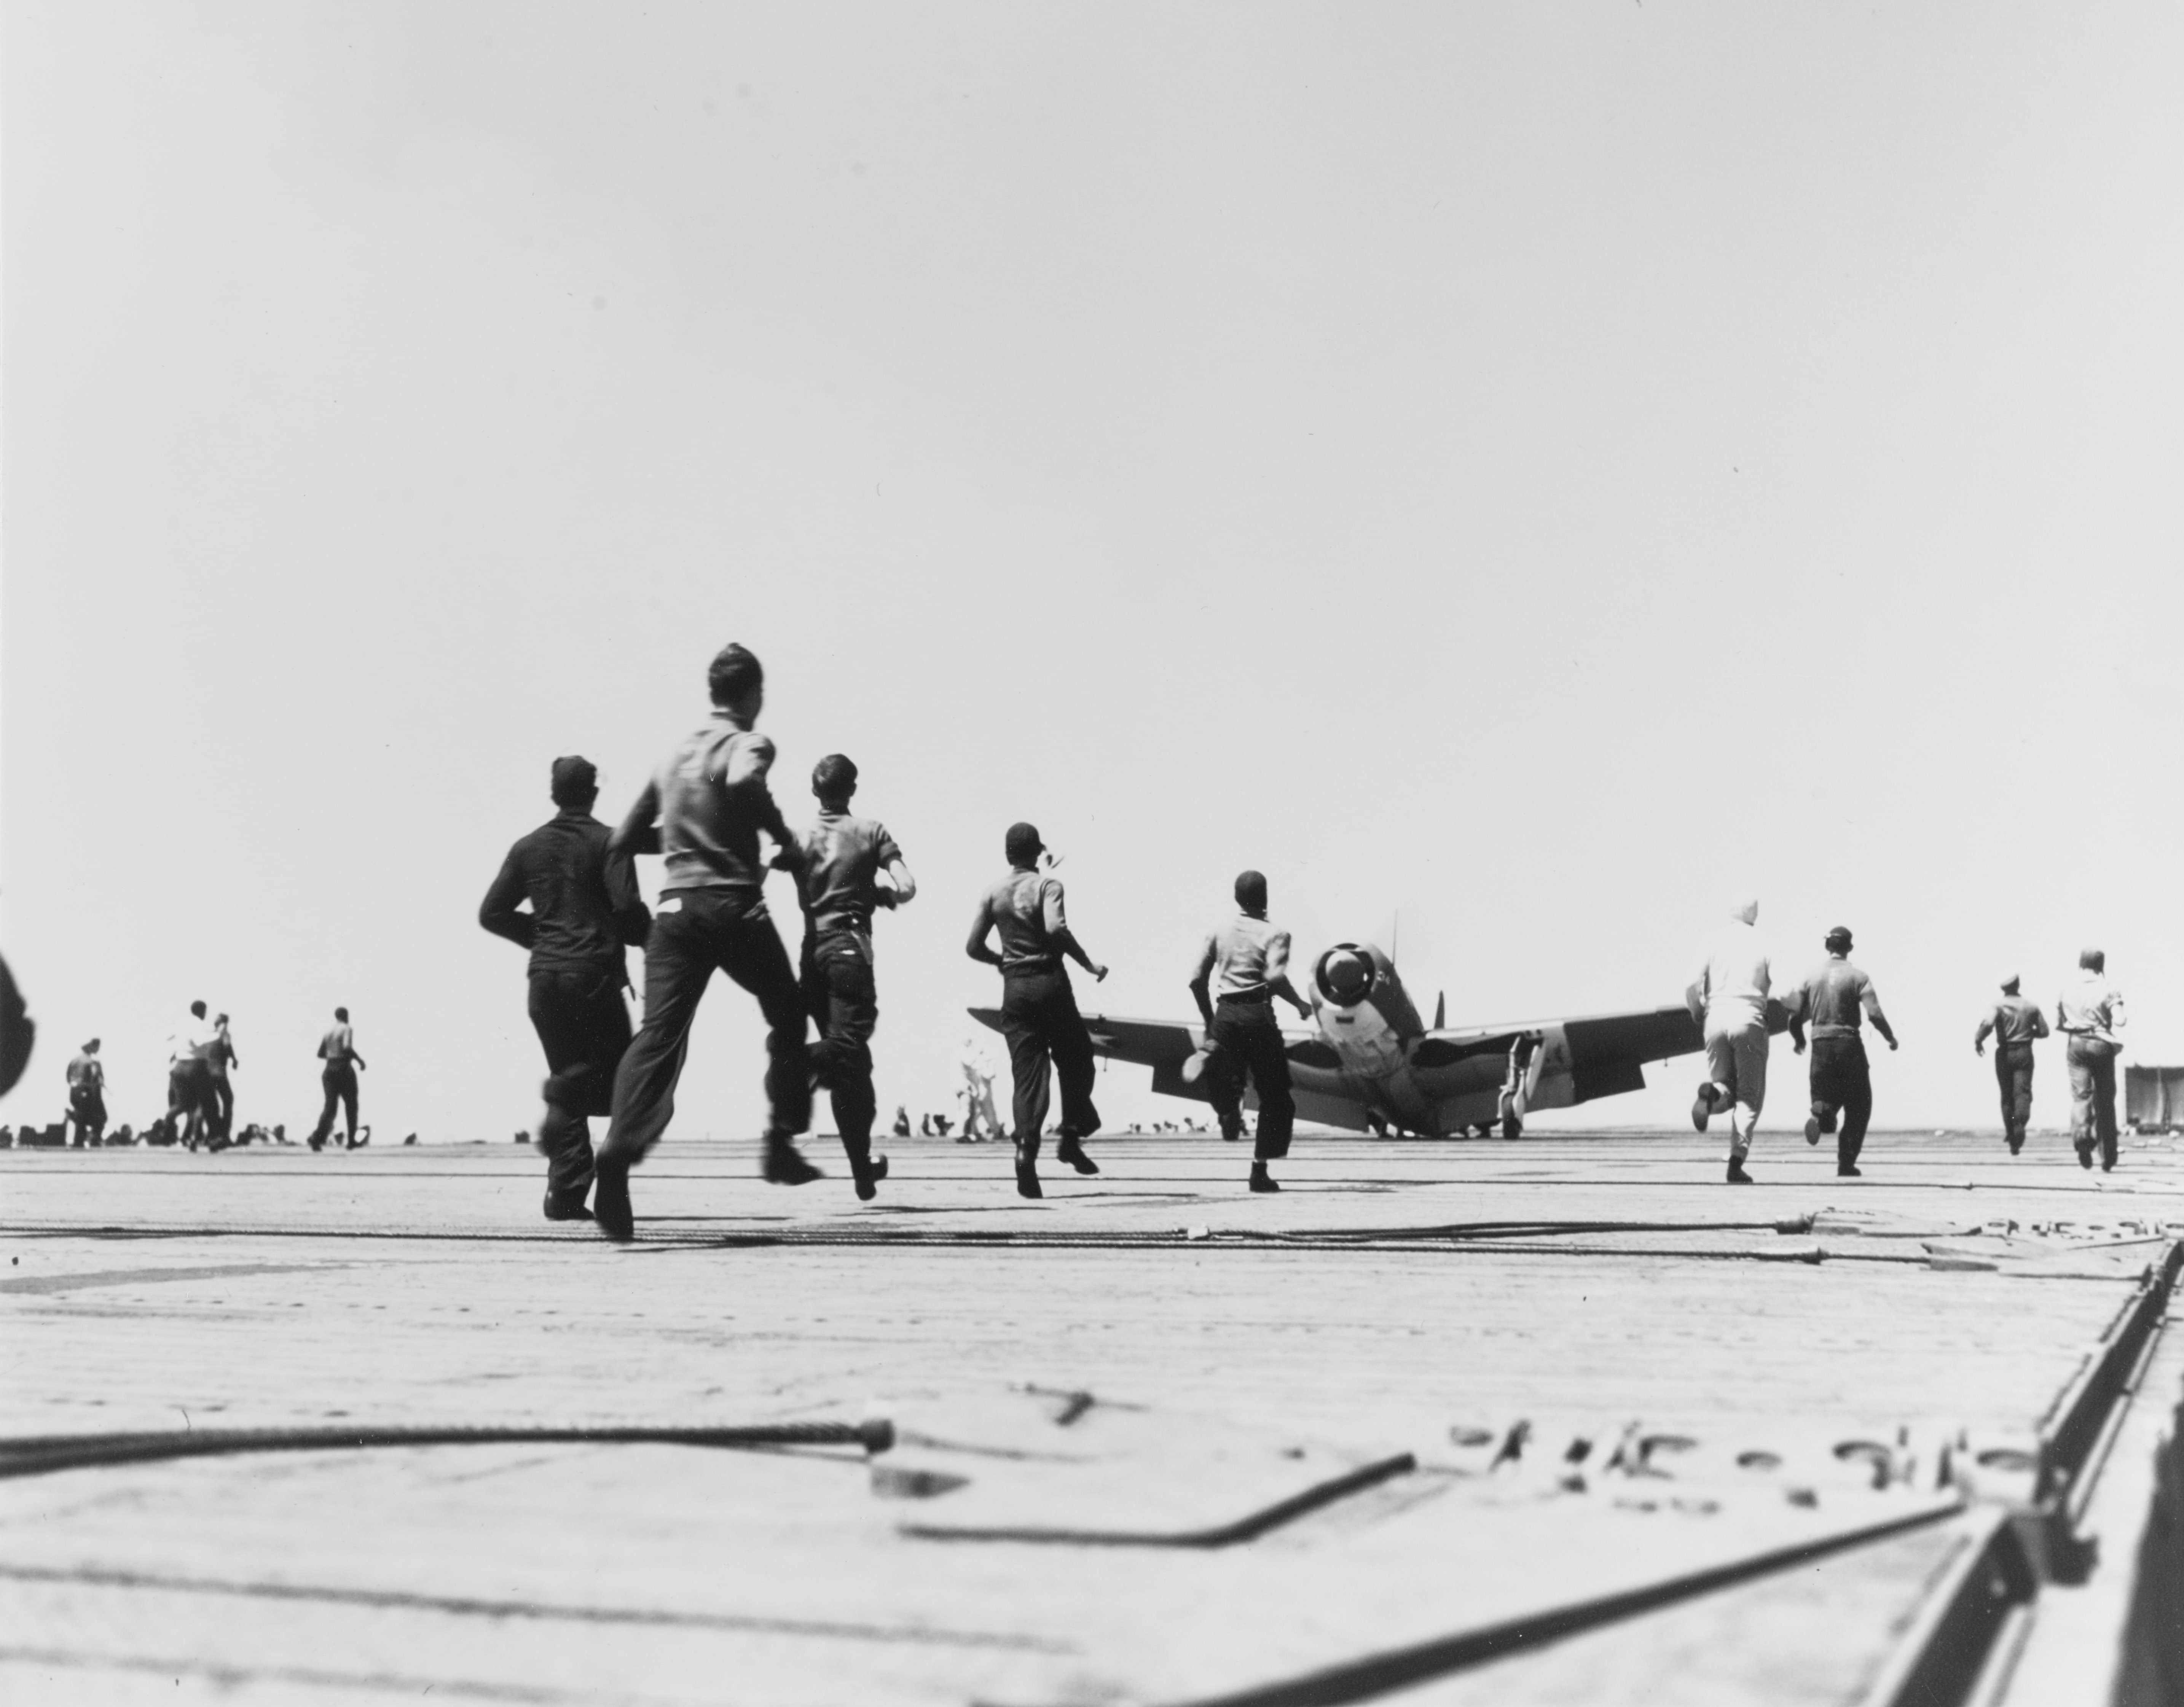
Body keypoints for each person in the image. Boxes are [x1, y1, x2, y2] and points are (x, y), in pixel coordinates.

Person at [593, 644, 821, 1241]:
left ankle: (617, 1151)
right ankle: (779, 1141)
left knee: (658, 1038)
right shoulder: (748, 742)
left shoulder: (674, 756)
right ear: (753, 694)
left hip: (673, 912)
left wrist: (635, 912)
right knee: (790, 1013)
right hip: (735, 906)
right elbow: (743, 781)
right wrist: (782, 839)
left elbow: (619, 840)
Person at [480, 754, 652, 1221]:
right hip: (592, 977)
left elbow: (491, 913)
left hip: (544, 982)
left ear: (554, 794)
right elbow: (630, 912)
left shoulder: (526, 847)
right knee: (624, 1083)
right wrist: (653, 936)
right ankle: (610, 1186)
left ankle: (566, 1192)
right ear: (593, 794)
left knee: (570, 1072)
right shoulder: (608, 842)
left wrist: (541, 937)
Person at [793, 753, 915, 1201]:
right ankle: (798, 1063)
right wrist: (881, 893)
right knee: (850, 1044)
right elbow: (908, 886)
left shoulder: (799, 836)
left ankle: (862, 1168)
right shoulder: (871, 831)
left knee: (851, 1067)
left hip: (811, 954)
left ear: (815, 791)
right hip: (849, 951)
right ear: (853, 789)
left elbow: (769, 862)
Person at [966, 821, 1108, 1199]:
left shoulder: (991, 892)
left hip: (1015, 990)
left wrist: (1002, 961)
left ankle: (1025, 1152)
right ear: (1035, 853)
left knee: (1029, 1078)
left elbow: (972, 947)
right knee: (1077, 1059)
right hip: (1050, 984)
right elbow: (1055, 928)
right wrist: (1089, 965)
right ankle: (1072, 1136)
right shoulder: (1048, 886)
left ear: (1007, 854)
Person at [1188, 870, 1315, 1192]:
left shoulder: (1218, 930)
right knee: (1277, 1096)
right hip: (1259, 1016)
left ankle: (1227, 1101)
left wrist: (1209, 1023)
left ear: (1237, 898)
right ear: (1266, 897)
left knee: (1230, 1077)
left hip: (1225, 1015)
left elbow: (1196, 980)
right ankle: (1259, 1170)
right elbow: (1274, 978)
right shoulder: (1277, 934)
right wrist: (1299, 1003)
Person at [1785, 927, 1899, 1178]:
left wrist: (1799, 1040)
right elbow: (1875, 1014)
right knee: (1859, 1104)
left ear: (1828, 946)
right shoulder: (1859, 976)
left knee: (1829, 1097)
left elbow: (1794, 1017)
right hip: (1849, 1045)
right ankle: (1846, 1162)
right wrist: (1890, 1038)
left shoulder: (1810, 977)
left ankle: (1821, 1113)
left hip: (1820, 1046)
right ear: (1850, 948)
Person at [1687, 898, 1774, 1184]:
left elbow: (1691, 986)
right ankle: (1736, 1164)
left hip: (1715, 1019)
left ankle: (1711, 1093)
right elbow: (1787, 991)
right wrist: (1798, 1007)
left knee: (1725, 1084)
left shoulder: (1711, 940)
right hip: (1749, 1021)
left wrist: (1700, 1014)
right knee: (1749, 1097)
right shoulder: (1764, 942)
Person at [2058, 948, 2127, 1171]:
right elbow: (2121, 1021)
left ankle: (2082, 1140)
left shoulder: (2067, 988)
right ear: (2101, 965)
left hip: (2076, 1044)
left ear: (2081, 964)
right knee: (2105, 1101)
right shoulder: (2108, 988)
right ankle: (2108, 1156)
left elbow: (2059, 1020)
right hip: (2101, 1045)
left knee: (2081, 1097)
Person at [1974, 975, 2050, 1154]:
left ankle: (2012, 1135)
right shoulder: (2031, 1006)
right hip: (2024, 1052)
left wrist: (1978, 1040)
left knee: (2007, 1096)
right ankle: (2018, 1126)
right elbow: (2044, 1031)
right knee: (2022, 1094)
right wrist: (2030, 1034)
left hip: (2004, 1053)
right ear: (2019, 985)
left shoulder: (1998, 1006)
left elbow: (1987, 1024)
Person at [307, 1006, 368, 1150]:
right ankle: (352, 1140)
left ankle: (317, 1137)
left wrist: (332, 1054)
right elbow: (347, 1046)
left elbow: (320, 1053)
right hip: (344, 1069)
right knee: (351, 1105)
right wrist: (359, 1060)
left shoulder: (328, 1031)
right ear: (346, 1016)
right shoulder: (347, 1028)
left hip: (329, 1069)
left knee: (330, 1107)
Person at [166, 1001, 221, 1149]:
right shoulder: (199, 1024)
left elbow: (168, 1036)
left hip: (179, 1067)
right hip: (196, 1066)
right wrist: (217, 1035)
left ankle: (170, 1120)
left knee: (185, 1105)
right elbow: (199, 1041)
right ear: (202, 1011)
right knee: (209, 1103)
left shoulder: (182, 1024)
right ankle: (212, 1138)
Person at [66, 1039, 107, 1147]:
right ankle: (94, 1139)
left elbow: (68, 1078)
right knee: (101, 1117)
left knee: (81, 1117)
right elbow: (96, 1081)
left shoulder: (74, 1061)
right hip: (87, 1092)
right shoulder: (92, 1062)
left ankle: (79, 1140)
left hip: (74, 1092)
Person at [206, 1015, 239, 1146]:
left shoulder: (209, 1035)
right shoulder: (224, 1033)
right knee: (228, 1100)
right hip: (219, 1072)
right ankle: (224, 1136)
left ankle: (207, 1135)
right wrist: (234, 1059)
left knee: (208, 1104)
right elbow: (227, 1046)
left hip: (207, 1072)